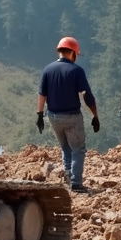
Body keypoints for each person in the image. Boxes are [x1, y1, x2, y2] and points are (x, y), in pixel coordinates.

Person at [37, 36, 99, 192]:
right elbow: (86, 95)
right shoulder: (76, 71)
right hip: (72, 116)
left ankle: (68, 179)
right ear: (73, 53)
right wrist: (95, 115)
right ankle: (76, 183)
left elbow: (42, 95)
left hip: (53, 116)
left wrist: (39, 115)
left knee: (65, 148)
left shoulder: (47, 69)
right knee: (78, 149)